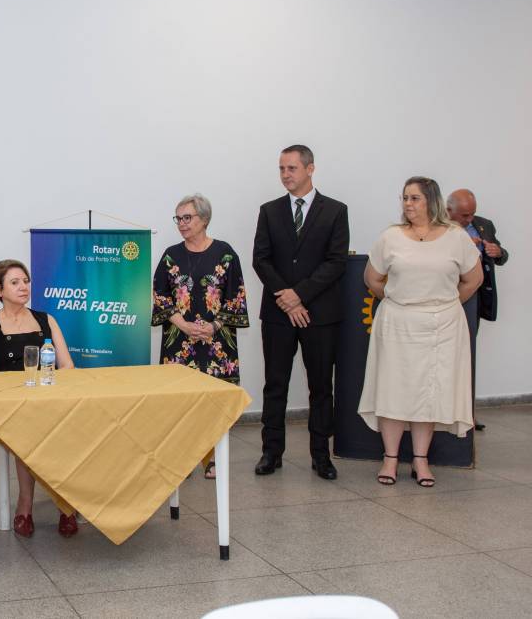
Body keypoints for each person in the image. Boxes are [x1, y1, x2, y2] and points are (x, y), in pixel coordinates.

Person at [359, 177, 482, 487]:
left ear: (431, 201)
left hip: (441, 328)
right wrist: (398, 301)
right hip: (398, 325)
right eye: (404, 198)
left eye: (414, 198)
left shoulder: (456, 237)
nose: (407, 204)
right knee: (394, 390)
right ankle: (390, 459)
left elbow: (474, 279)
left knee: (428, 393)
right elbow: (372, 279)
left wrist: (444, 305)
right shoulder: (391, 237)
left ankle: (420, 460)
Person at [252, 145, 349, 480]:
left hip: (319, 314)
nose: (285, 175)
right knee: (275, 384)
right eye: (281, 168)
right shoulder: (269, 211)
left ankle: (321, 455)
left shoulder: (335, 210)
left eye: (291, 168)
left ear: (310, 169)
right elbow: (261, 259)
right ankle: (271, 452)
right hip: (278, 314)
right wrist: (287, 298)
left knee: (321, 386)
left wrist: (300, 295)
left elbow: (336, 262)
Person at [0, 259, 77, 538]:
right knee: (30, 428)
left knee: (67, 425)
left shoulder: (46, 320)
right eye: (15, 282)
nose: (24, 287)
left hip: (49, 400)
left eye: (26, 281)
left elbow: (67, 365)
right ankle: (26, 504)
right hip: (12, 408)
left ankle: (66, 503)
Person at [152, 194, 249, 479]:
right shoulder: (171, 255)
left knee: (214, 404)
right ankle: (181, 460)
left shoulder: (225, 254)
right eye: (178, 218)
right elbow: (159, 295)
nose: (181, 223)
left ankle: (213, 458)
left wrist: (214, 326)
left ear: (204, 219)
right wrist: (183, 325)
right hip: (179, 341)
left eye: (187, 217)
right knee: (179, 402)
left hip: (216, 343)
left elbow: (236, 297)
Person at [446, 188, 509, 431]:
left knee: (468, 355)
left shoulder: (485, 225)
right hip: (447, 296)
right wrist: (462, 246)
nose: (470, 219)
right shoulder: (437, 226)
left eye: (472, 214)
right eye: (465, 215)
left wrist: (498, 252)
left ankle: (468, 414)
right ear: (448, 210)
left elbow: (502, 256)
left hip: (475, 299)